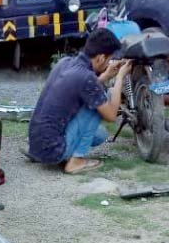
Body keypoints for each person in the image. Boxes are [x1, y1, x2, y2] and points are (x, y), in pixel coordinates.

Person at [27, 28, 132, 174]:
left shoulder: (64, 63)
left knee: (100, 135)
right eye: (109, 59)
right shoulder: (87, 77)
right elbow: (111, 115)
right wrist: (120, 77)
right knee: (103, 97)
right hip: (54, 150)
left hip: (38, 147)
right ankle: (75, 161)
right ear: (101, 58)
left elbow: (83, 86)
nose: (109, 63)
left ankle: (63, 154)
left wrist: (106, 76)